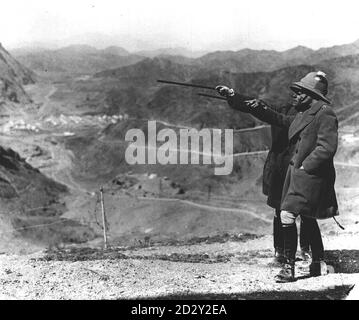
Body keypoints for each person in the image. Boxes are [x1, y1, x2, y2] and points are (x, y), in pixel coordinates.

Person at [216, 71, 339, 282]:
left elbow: (327, 148)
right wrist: (235, 97)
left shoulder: (325, 114)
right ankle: (310, 263)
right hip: (298, 177)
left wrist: (304, 167)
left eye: (301, 92)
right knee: (296, 216)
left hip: (309, 177)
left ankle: (295, 266)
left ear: (312, 94)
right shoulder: (303, 114)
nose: (296, 95)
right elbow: (275, 116)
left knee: (292, 216)